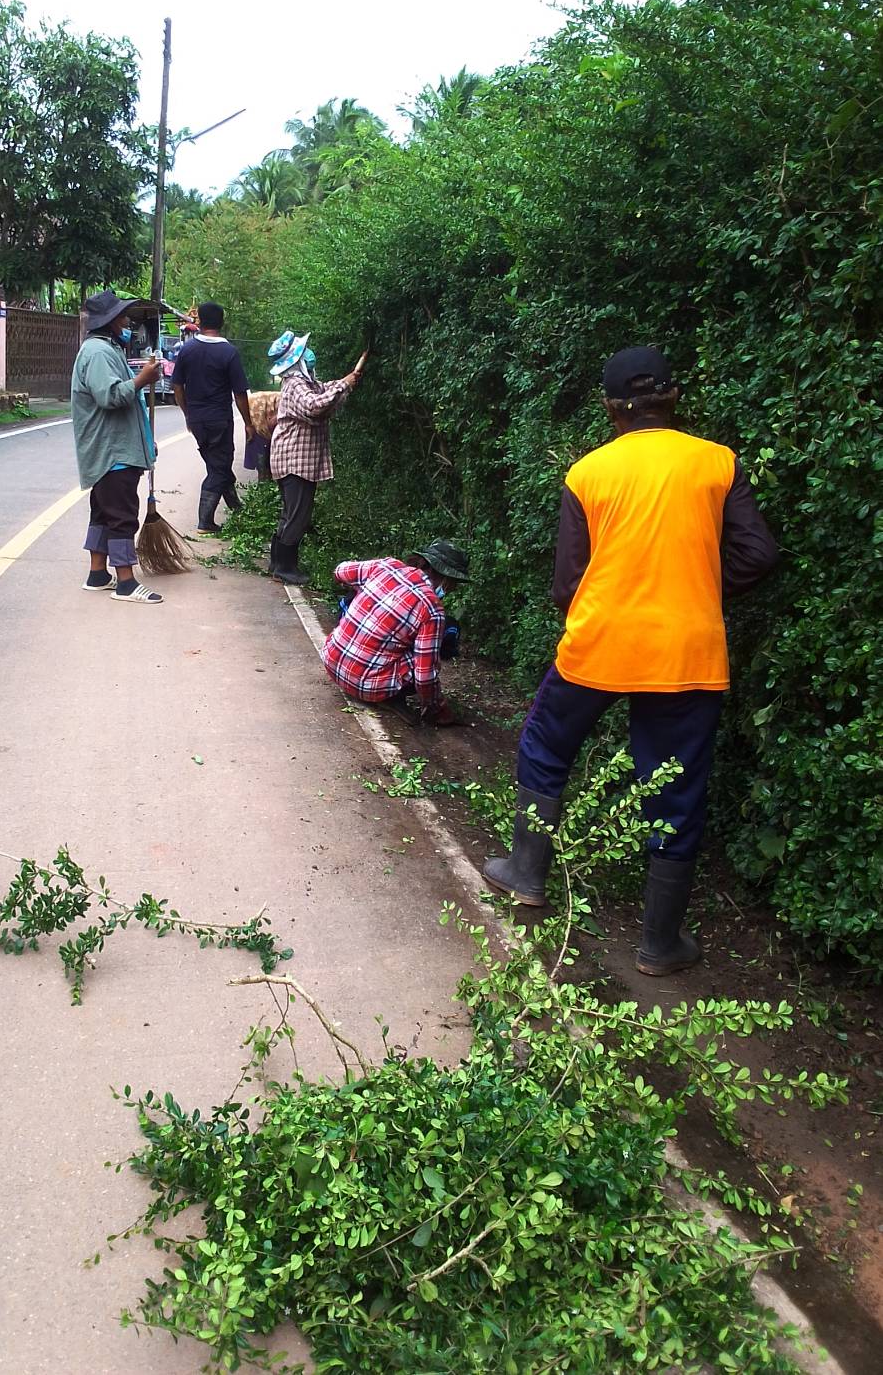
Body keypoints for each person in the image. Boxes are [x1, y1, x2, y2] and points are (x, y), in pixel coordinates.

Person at [483, 346, 780, 976]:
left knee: (545, 742)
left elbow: (568, 587)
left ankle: (526, 875)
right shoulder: (717, 464)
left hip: (600, 642)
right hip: (687, 648)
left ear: (610, 407)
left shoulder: (588, 473)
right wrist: (693, 587)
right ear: (674, 398)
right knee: (676, 786)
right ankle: (658, 944)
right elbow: (757, 555)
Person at [71, 290, 164, 605]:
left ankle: (98, 573)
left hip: (113, 450)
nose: (127, 322)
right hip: (113, 452)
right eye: (123, 317)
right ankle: (125, 581)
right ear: (110, 321)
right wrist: (142, 379)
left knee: (103, 512)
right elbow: (109, 396)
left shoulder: (105, 349)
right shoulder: (98, 353)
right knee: (122, 515)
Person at [323, 541, 469, 725]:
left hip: (331, 663)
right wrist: (437, 709)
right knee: (429, 657)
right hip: (364, 686)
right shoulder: (431, 608)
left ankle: (372, 677)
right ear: (447, 579)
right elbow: (425, 676)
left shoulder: (386, 566)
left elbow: (340, 571)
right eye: (453, 584)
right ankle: (386, 694)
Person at [267, 331, 367, 583]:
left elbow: (325, 391)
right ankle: (285, 568)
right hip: (294, 461)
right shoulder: (295, 384)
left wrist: (345, 382)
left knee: (290, 513)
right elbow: (314, 405)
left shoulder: (306, 382)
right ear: (297, 359)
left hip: (296, 460)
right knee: (298, 514)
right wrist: (344, 384)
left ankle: (277, 563)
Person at [170, 301, 253, 533]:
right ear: (222, 322)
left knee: (217, 463)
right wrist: (248, 423)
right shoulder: (229, 352)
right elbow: (239, 394)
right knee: (219, 467)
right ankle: (205, 521)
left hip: (197, 420)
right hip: (219, 419)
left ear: (200, 322)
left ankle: (237, 508)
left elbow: (177, 385)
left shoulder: (187, 350)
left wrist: (188, 413)